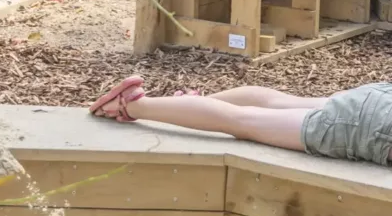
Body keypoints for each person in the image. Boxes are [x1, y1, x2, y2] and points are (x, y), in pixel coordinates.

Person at [89, 76, 392, 165]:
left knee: (279, 102)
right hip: (372, 127)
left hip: (378, 99)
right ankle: (137, 106)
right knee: (243, 123)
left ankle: (183, 107)